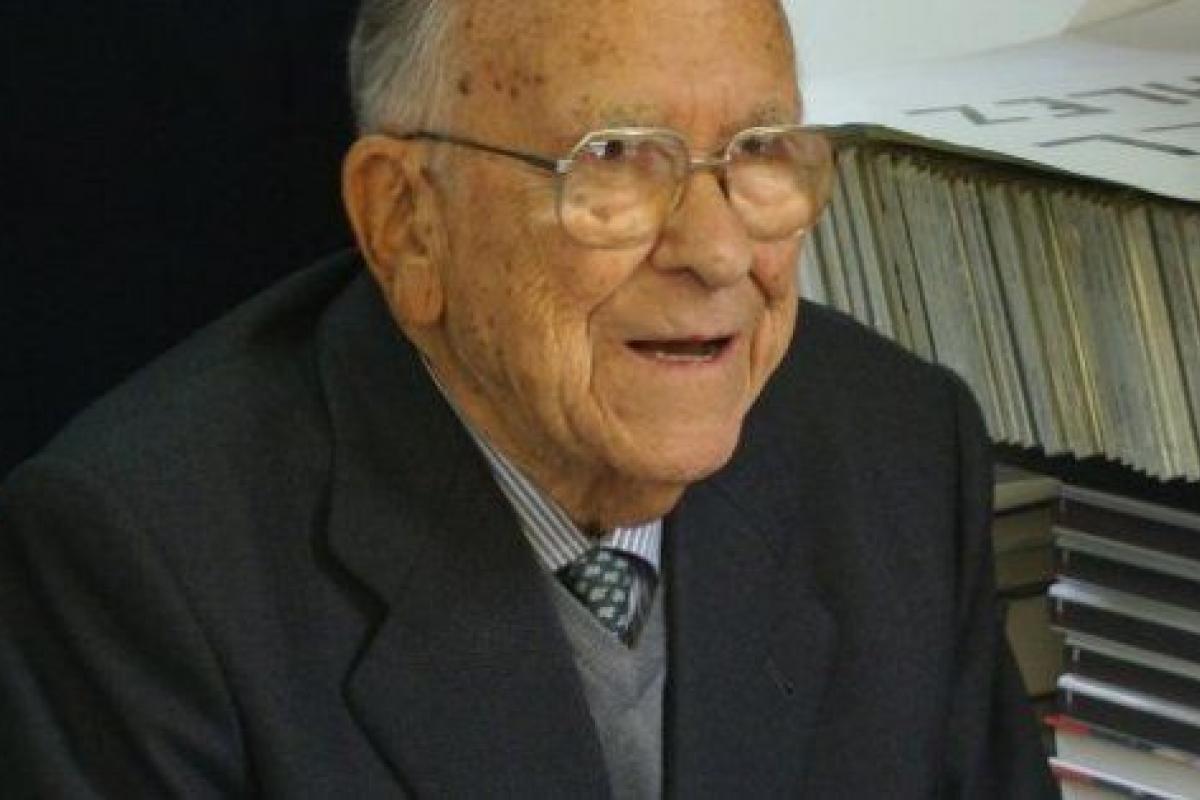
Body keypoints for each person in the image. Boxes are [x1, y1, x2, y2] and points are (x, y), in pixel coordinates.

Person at [0, 0, 1057, 796]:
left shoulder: (897, 446)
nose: (719, 249)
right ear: (407, 222)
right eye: (616, 161)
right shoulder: (144, 564)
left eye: (760, 152)